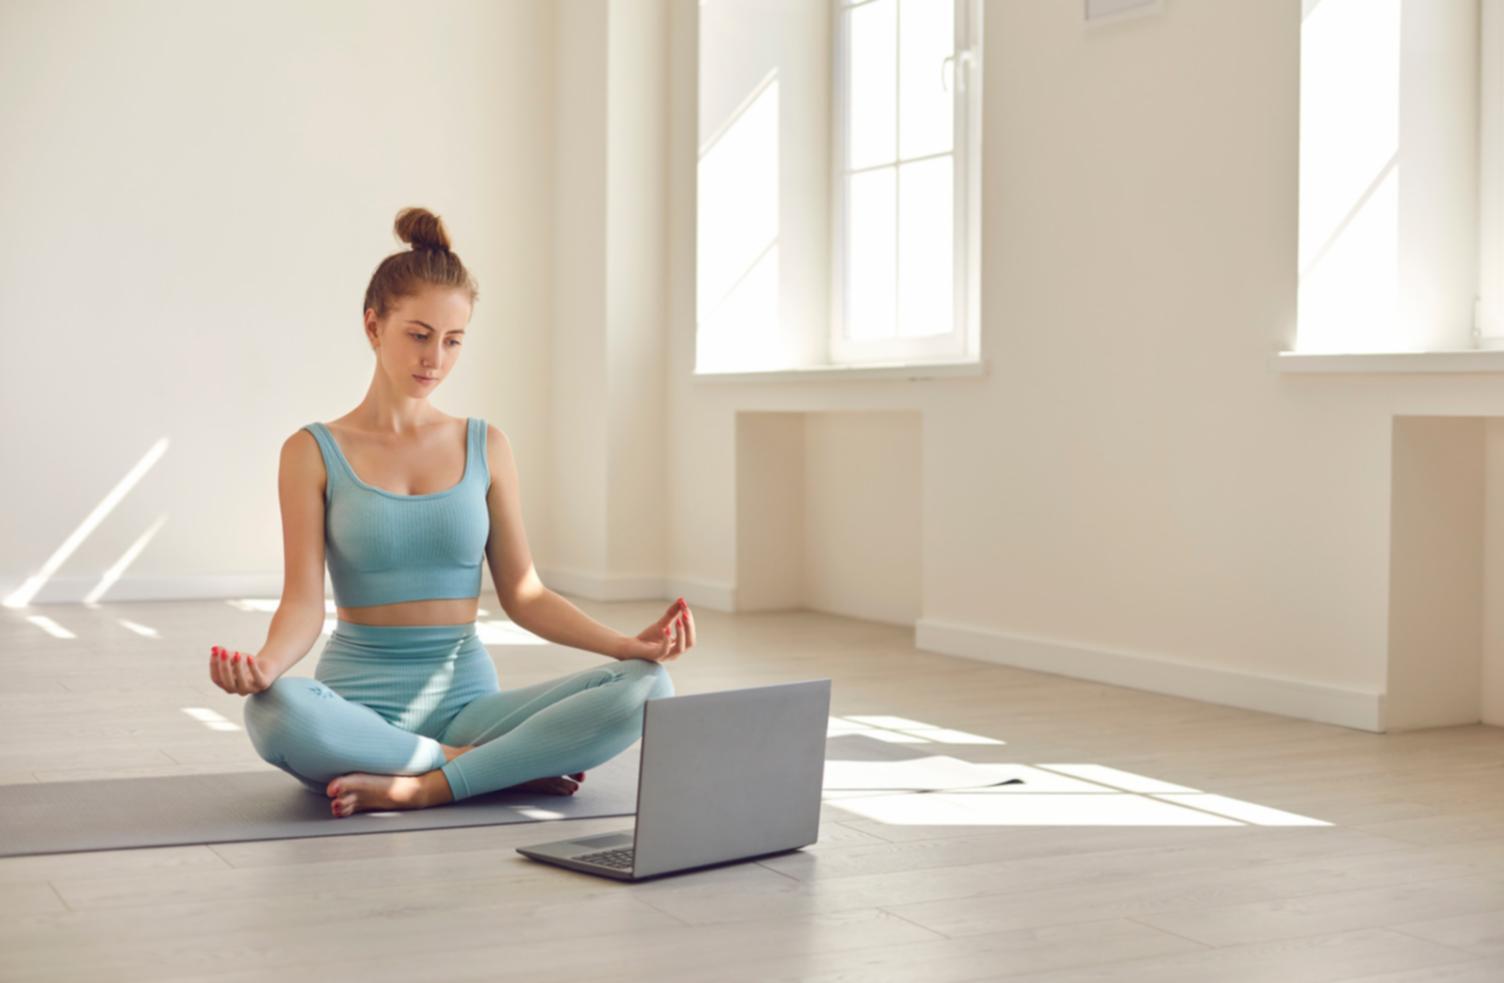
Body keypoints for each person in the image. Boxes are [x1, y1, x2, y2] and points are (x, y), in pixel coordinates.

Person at [209, 206, 693, 818]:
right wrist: (265, 667)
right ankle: (482, 765)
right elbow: (303, 601)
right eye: (418, 334)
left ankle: (427, 781)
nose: (434, 358)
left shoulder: (486, 445)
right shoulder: (311, 451)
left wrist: (627, 645)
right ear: (372, 326)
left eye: (453, 340)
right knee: (273, 712)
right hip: (359, 708)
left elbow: (525, 594)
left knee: (647, 688)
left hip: (469, 700)